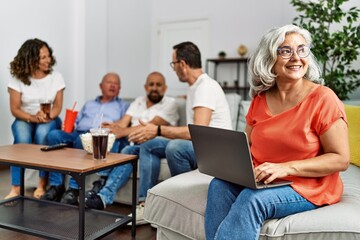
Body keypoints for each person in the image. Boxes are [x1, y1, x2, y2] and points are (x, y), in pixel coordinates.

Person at [204, 24, 350, 240]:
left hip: (307, 185)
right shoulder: (260, 99)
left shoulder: (323, 98)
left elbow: (340, 159)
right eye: (285, 51)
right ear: (269, 58)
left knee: (252, 198)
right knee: (218, 185)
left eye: (302, 50)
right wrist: (232, 166)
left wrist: (285, 167)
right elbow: (249, 146)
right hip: (266, 178)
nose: (296, 57)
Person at [123, 41, 232, 224]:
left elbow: (199, 132)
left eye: (173, 64)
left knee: (176, 147)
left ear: (182, 64)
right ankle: (145, 204)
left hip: (214, 150)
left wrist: (157, 129)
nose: (173, 69)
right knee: (149, 145)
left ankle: (183, 204)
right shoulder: (196, 87)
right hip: (202, 145)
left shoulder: (205, 87)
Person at [84, 71, 179, 216]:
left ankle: (110, 189)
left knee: (136, 147)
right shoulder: (138, 101)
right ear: (145, 87)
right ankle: (104, 196)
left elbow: (151, 126)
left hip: (156, 143)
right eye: (151, 84)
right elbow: (123, 122)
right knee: (127, 149)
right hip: (134, 144)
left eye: (158, 85)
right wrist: (112, 127)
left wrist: (122, 131)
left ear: (165, 88)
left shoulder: (170, 104)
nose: (154, 88)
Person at [41, 72, 129, 205]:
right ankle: (56, 185)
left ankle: (74, 188)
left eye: (116, 83)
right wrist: (68, 125)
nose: (113, 85)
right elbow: (76, 122)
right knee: (54, 135)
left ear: (119, 88)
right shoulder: (89, 104)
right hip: (78, 132)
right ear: (101, 86)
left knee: (82, 139)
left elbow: (123, 126)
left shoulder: (123, 106)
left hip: (97, 136)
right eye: (109, 82)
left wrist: (113, 126)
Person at [6, 38, 65, 199]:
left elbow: (58, 107)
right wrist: (33, 117)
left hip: (49, 118)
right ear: (31, 59)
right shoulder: (17, 79)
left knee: (42, 135)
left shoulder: (56, 77)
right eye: (43, 57)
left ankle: (41, 184)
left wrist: (46, 117)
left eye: (48, 56)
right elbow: (15, 109)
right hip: (25, 118)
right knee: (21, 138)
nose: (49, 60)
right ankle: (16, 187)